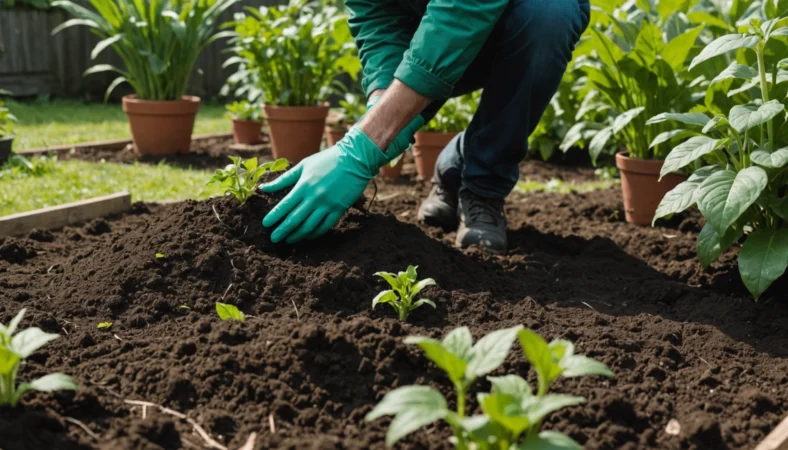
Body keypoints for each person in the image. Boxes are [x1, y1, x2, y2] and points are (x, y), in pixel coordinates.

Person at [260, 0, 590, 253]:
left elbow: (463, 11)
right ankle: (456, 164)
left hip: (516, 21)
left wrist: (363, 145)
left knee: (550, 14)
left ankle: (483, 186)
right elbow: (377, 18)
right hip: (428, 30)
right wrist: (381, 105)